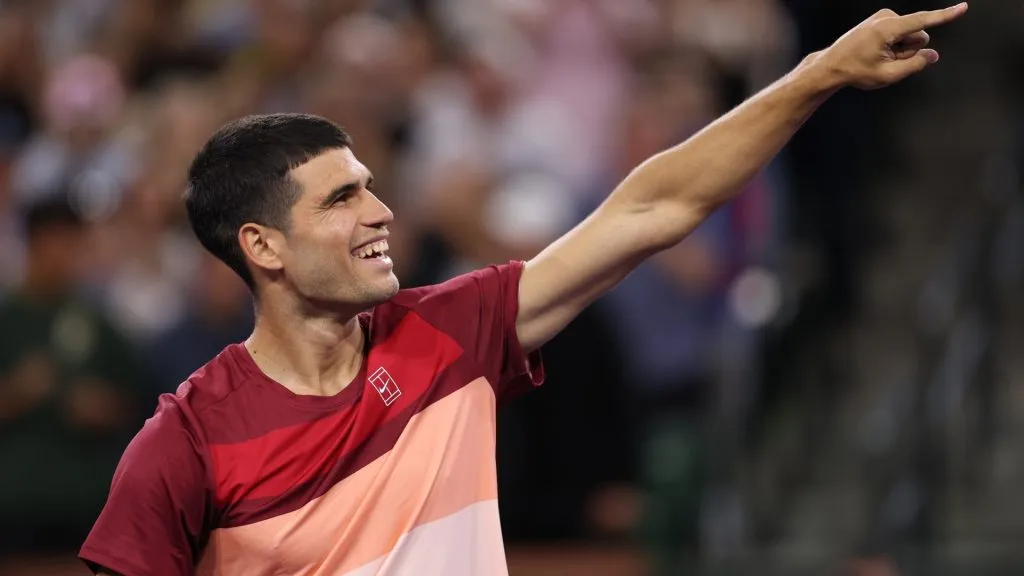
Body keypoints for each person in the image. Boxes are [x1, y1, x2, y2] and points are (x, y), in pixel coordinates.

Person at [79, 5, 967, 575]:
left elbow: (652, 207)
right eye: (342, 198)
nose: (381, 211)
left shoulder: (449, 333)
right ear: (262, 247)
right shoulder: (185, 441)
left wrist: (817, 74)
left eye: (372, 186)